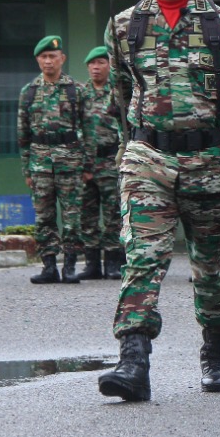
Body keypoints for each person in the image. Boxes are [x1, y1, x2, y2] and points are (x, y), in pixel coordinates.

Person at [95, 0, 220, 403]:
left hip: (210, 159)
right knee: (143, 255)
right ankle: (132, 360)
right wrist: (134, 146)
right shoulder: (124, 26)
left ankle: (216, 351)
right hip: (148, 157)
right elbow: (122, 94)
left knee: (213, 267)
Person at [19, 35, 93, 285]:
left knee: (72, 217)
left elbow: (89, 129)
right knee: (43, 217)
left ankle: (70, 266)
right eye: (43, 57)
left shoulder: (76, 90)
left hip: (70, 162)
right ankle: (48, 265)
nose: (48, 61)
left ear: (62, 58)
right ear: (38, 60)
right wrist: (26, 169)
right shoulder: (28, 92)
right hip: (39, 163)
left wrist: (88, 165)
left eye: (52, 56)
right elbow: (23, 134)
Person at [78, 46, 124, 280]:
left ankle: (113, 261)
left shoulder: (117, 92)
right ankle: (92, 263)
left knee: (113, 213)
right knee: (87, 215)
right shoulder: (80, 94)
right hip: (86, 163)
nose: (96, 67)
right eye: (92, 63)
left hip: (110, 162)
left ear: (109, 65)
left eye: (101, 63)